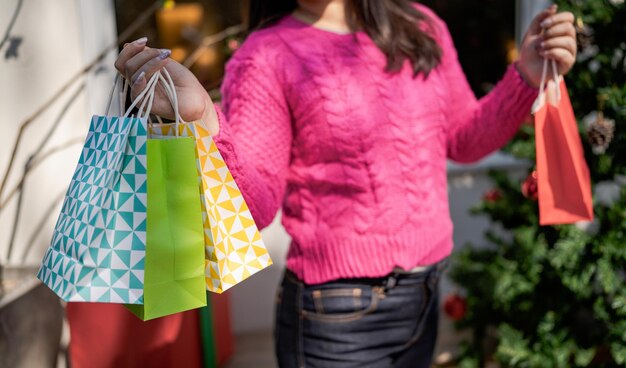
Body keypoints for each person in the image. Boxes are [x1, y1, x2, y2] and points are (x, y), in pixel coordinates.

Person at [115, 1, 577, 366]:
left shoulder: (422, 26)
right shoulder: (266, 55)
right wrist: (203, 121)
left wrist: (527, 76)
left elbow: (464, 139)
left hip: (424, 293)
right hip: (336, 316)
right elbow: (255, 206)